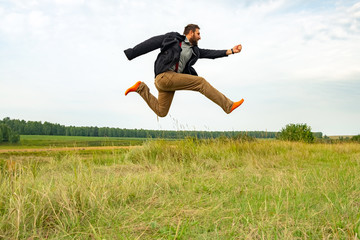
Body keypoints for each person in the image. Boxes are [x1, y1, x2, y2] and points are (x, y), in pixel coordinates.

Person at [124, 24, 244, 117]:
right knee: (200, 82)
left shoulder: (194, 50)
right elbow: (152, 43)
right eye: (198, 33)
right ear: (191, 32)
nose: (200, 37)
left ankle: (140, 88)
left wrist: (231, 51)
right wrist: (132, 53)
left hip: (170, 82)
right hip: (164, 76)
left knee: (161, 111)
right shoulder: (173, 39)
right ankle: (228, 105)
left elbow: (210, 53)